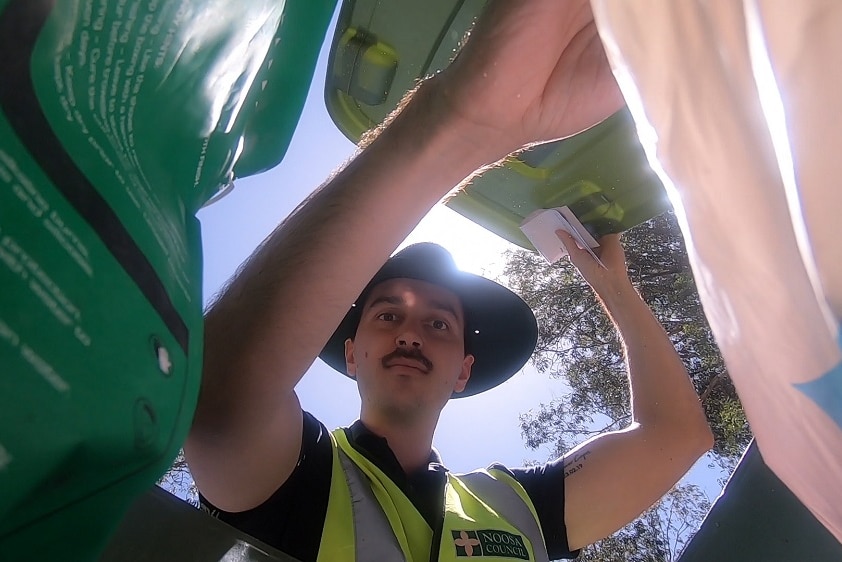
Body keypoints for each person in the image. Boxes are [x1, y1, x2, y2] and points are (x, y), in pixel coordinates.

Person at [184, 0, 713, 560]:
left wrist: (617, 292)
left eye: (439, 323)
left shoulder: (514, 506)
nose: (411, 333)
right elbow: (219, 398)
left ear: (464, 371)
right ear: (353, 352)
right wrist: (462, 123)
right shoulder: (299, 471)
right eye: (388, 315)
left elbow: (677, 437)